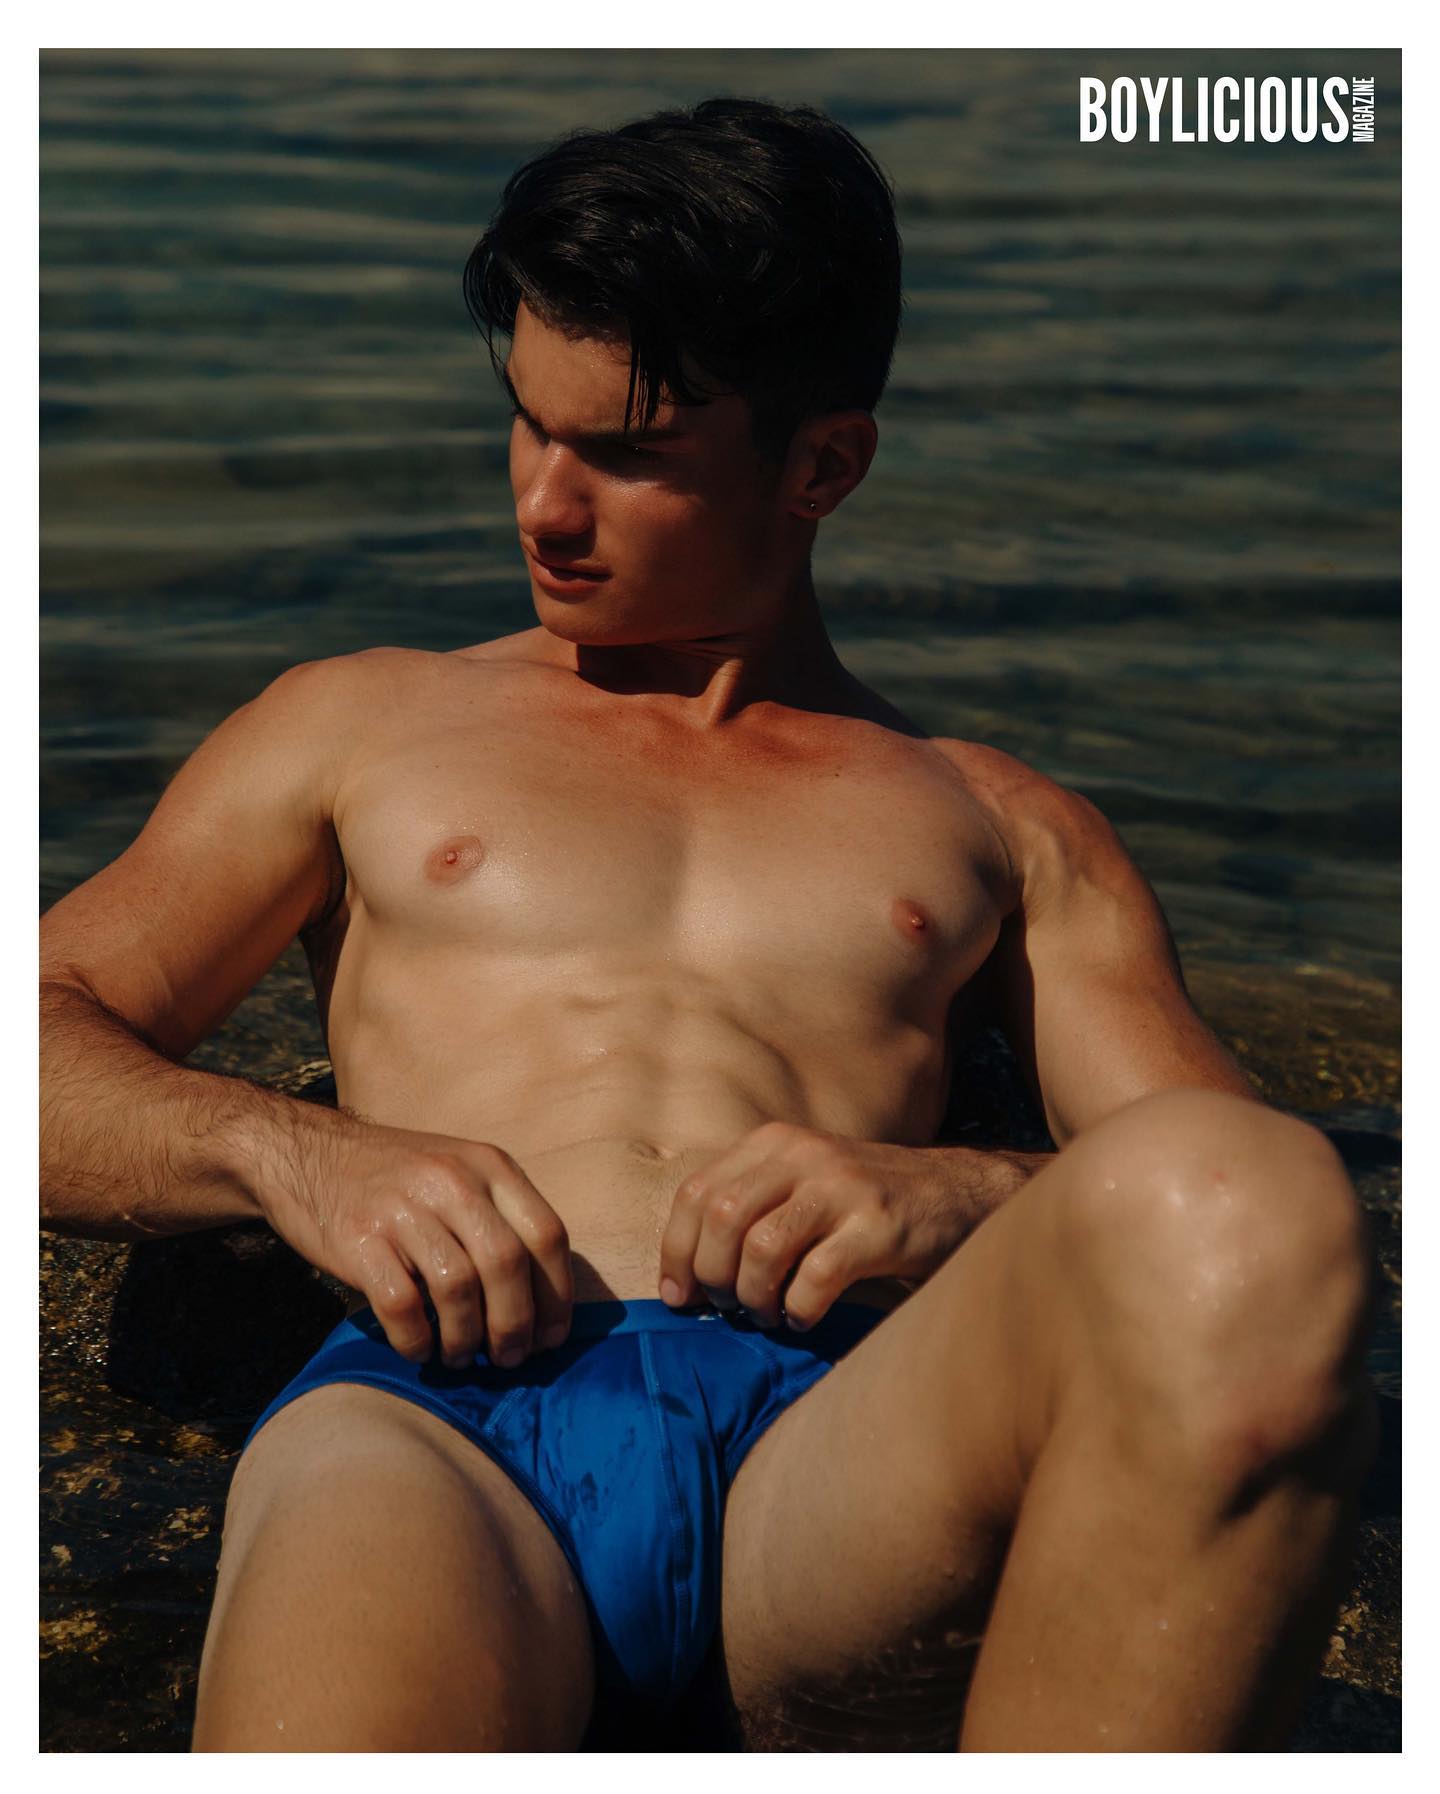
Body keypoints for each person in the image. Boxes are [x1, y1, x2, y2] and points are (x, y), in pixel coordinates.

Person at [39, 97, 1376, 1753]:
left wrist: (955, 1194)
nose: (542, 506)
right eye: (526, 426)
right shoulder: (361, 725)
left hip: (835, 1457)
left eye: (626, 456)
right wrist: (294, 1156)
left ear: (824, 465)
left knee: (1250, 1199)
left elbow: (1256, 1222)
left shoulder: (996, 822)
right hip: (436, 1426)